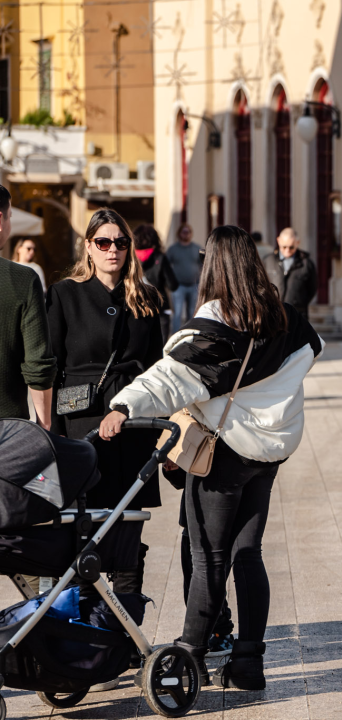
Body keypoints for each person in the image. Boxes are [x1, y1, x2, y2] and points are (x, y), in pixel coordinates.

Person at [101, 225, 323, 689]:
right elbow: (311, 349)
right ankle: (249, 662)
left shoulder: (217, 319)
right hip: (267, 456)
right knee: (248, 555)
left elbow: (171, 377)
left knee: (208, 558)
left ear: (214, 264)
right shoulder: (281, 316)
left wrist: (123, 405)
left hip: (224, 455)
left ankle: (190, 655)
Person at [46, 208, 163, 685]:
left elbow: (157, 370)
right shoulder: (64, 295)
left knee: (128, 533)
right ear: (88, 247)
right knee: (84, 533)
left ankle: (124, 639)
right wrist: (52, 435)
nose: (113, 250)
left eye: (120, 242)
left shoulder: (146, 298)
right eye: (103, 242)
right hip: (81, 429)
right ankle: (84, 638)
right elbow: (51, 366)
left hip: (133, 429)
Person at [0, 186, 55, 426]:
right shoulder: (22, 279)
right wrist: (44, 425)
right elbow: (38, 364)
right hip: (7, 427)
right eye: (10, 216)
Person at [133, 224, 178, 343]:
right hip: (160, 308)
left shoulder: (131, 258)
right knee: (160, 345)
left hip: (137, 307)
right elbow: (173, 285)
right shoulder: (160, 257)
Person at [263, 227, 318, 321]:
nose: (287, 250)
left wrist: (299, 302)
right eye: (284, 247)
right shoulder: (268, 261)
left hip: (297, 315)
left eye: (291, 247)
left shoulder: (306, 263)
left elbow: (312, 289)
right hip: (273, 314)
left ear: (297, 242)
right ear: (278, 241)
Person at [167, 223, 201, 331]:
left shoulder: (197, 248)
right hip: (178, 286)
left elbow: (203, 265)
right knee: (177, 314)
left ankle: (190, 334)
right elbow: (165, 266)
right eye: (184, 232)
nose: (186, 234)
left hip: (194, 286)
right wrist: (170, 282)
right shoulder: (173, 249)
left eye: (188, 232)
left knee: (192, 313)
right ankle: (175, 335)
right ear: (179, 233)